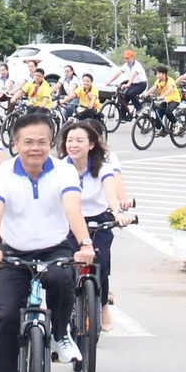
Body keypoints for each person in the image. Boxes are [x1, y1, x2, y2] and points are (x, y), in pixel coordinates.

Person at [0, 112, 95, 372]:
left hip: (53, 248)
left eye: (42, 142)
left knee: (61, 279)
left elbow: (73, 208)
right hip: (13, 253)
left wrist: (85, 244)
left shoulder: (63, 172)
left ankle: (59, 334)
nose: (35, 148)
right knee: (5, 318)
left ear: (51, 143)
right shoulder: (1, 174)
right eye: (28, 142)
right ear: (15, 143)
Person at [60, 120, 130, 331]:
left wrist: (118, 212)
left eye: (79, 140)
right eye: (70, 140)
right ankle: (67, 309)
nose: (74, 145)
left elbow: (110, 193)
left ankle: (103, 305)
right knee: (65, 269)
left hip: (99, 221)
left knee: (101, 264)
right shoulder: (61, 167)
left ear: (91, 144)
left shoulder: (103, 167)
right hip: (69, 223)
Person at [107, 48, 148, 117]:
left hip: (141, 84)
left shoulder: (137, 65)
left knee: (131, 93)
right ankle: (123, 116)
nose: (126, 60)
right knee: (123, 97)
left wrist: (128, 84)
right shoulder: (126, 65)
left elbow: (133, 75)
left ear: (132, 57)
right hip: (133, 84)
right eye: (125, 58)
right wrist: (109, 81)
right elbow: (118, 73)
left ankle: (140, 108)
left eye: (128, 58)